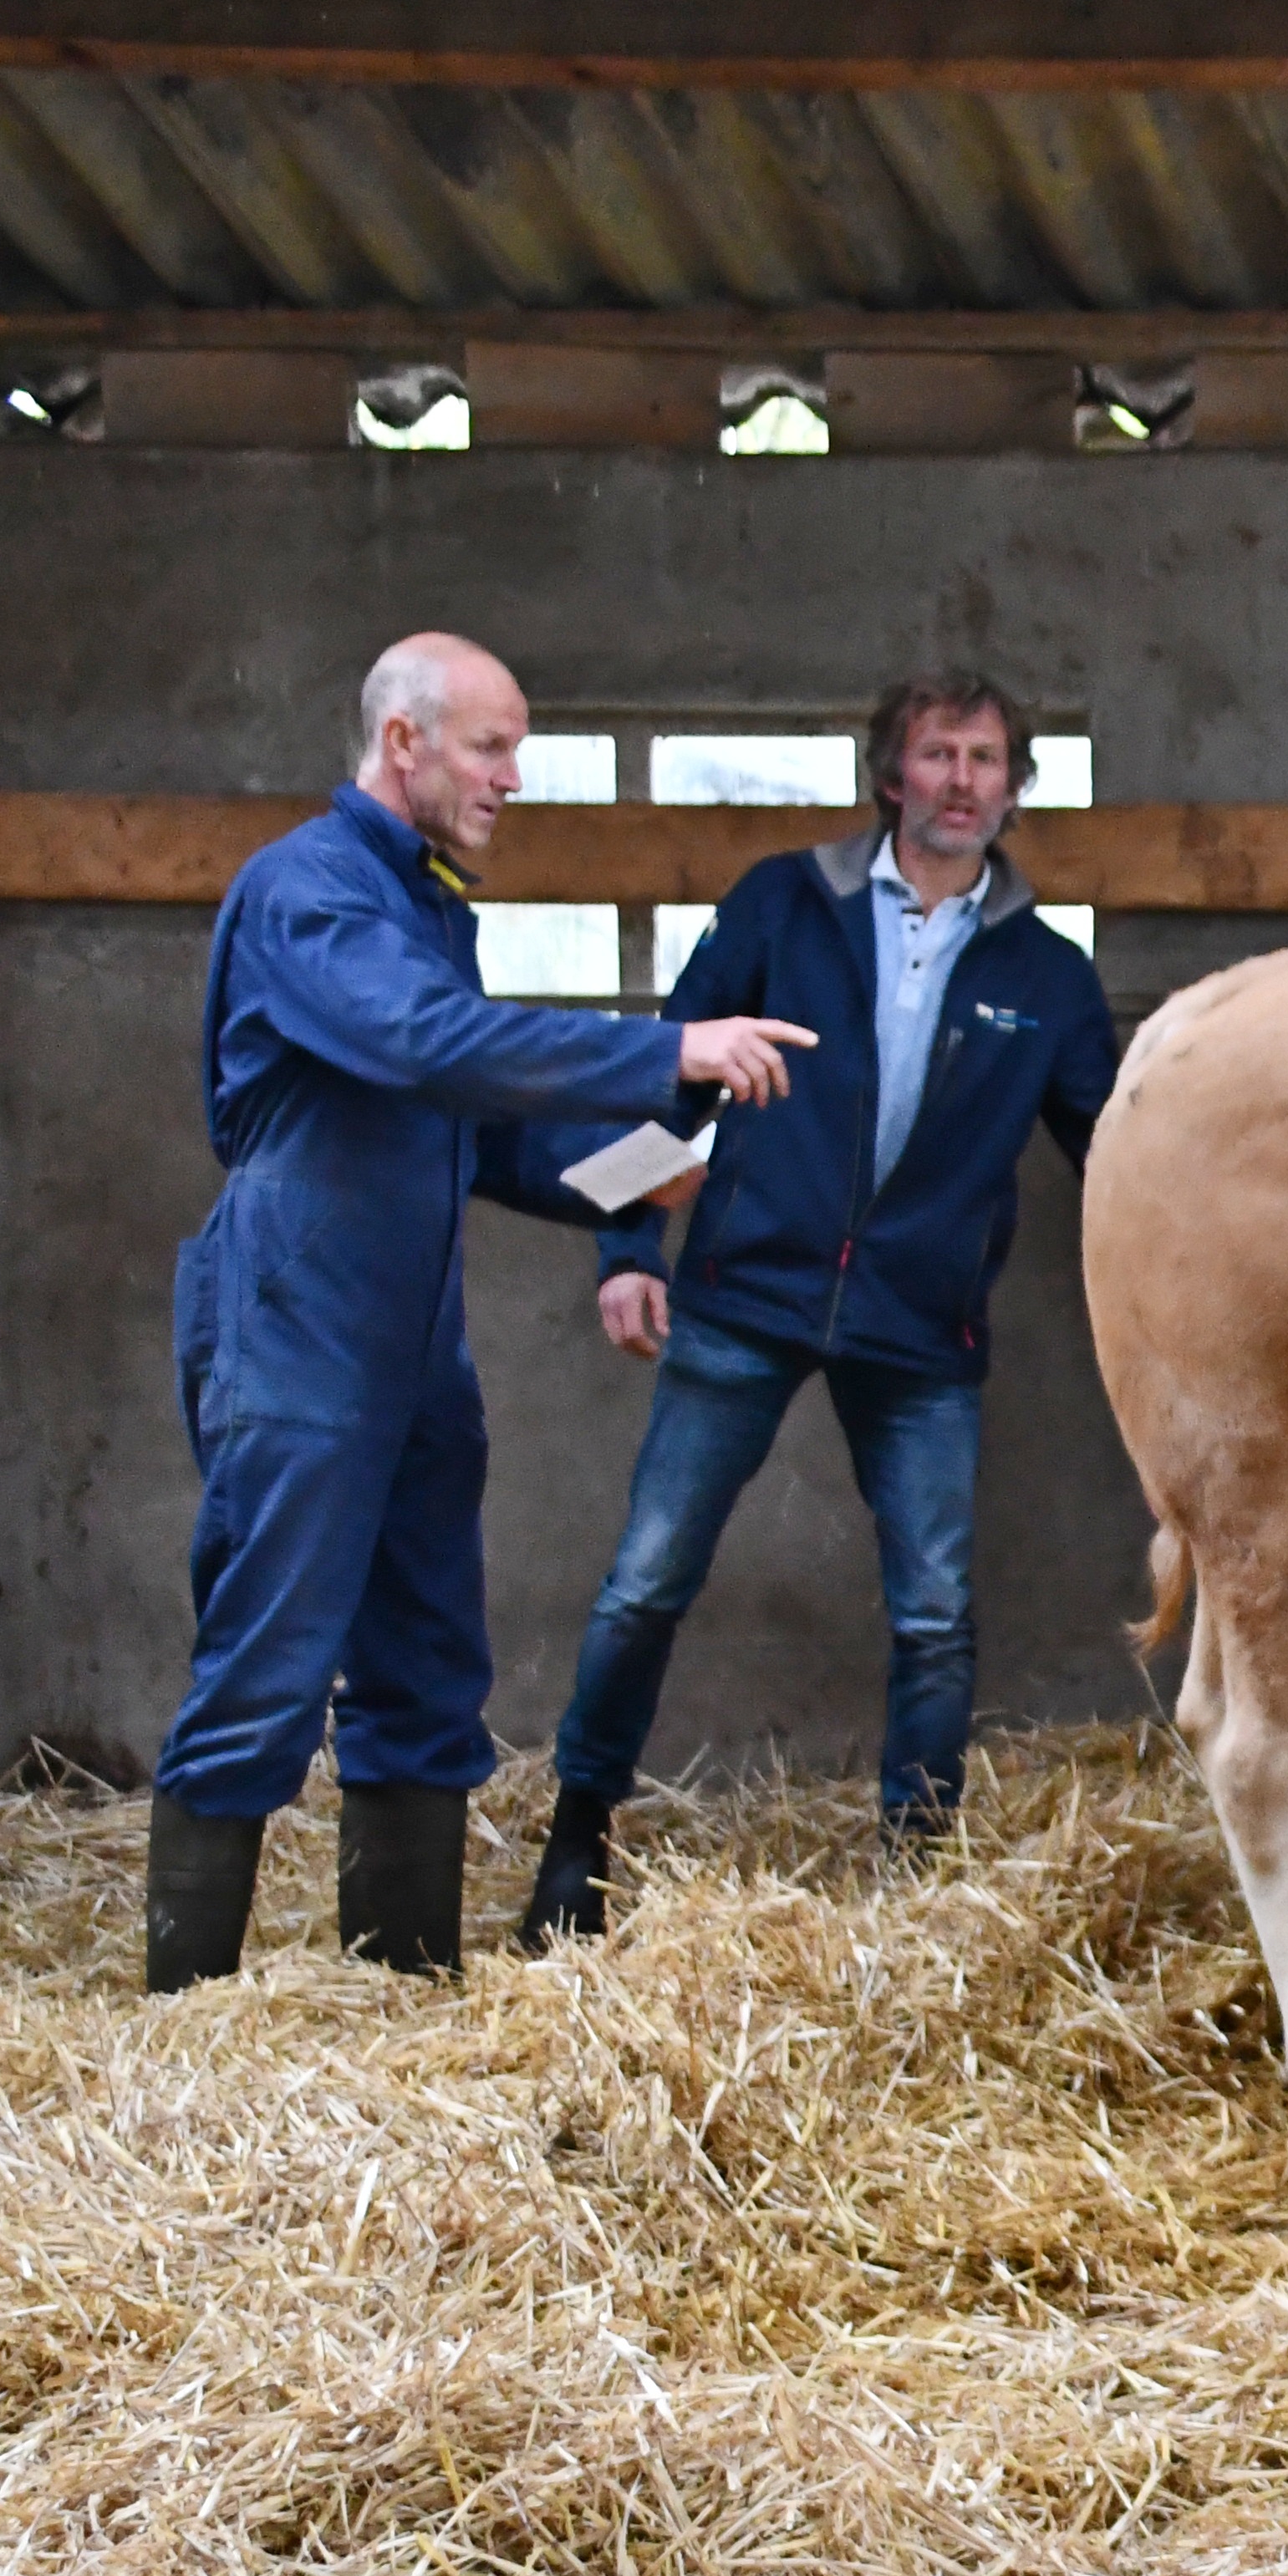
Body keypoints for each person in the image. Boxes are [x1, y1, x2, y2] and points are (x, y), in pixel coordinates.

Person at [146, 633, 817, 1993]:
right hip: (296, 1328)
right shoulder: (313, 895)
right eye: (493, 747)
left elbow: (476, 1140)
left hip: (410, 1347)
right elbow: (429, 1045)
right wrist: (664, 1045)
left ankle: (403, 1990)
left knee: (429, 1667)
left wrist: (645, 1175)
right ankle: (188, 2024)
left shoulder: (425, 907)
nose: (516, 777)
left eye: (519, 748)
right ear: (404, 744)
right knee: (266, 1666)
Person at [516, 668, 1124, 1948]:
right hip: (747, 1293)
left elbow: (1114, 1152)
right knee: (646, 1578)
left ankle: (915, 1887)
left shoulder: (1046, 972)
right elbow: (669, 1076)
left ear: (1015, 788)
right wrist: (629, 1246)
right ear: (889, 774)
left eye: (987, 759)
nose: (964, 780)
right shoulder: (785, 905)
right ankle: (577, 1848)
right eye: (939, 754)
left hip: (921, 1330)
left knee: (936, 1609)